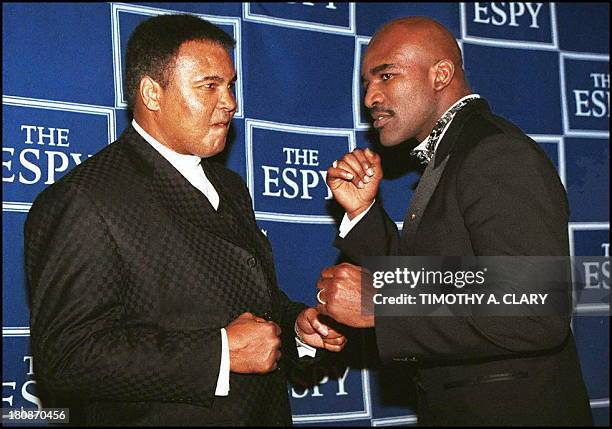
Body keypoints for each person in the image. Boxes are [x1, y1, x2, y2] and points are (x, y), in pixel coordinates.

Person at [24, 14, 345, 426]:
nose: (229, 102)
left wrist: (296, 327)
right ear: (152, 94)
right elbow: (67, 359)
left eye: (229, 86)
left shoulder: (230, 186)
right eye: (209, 86)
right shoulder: (84, 199)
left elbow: (246, 304)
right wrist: (221, 354)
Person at [315, 17, 593, 425]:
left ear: (441, 74)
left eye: (386, 75)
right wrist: (362, 214)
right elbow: (435, 280)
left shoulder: (494, 153)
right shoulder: (455, 153)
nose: (371, 97)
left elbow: (536, 308)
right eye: (366, 84)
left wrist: (385, 302)